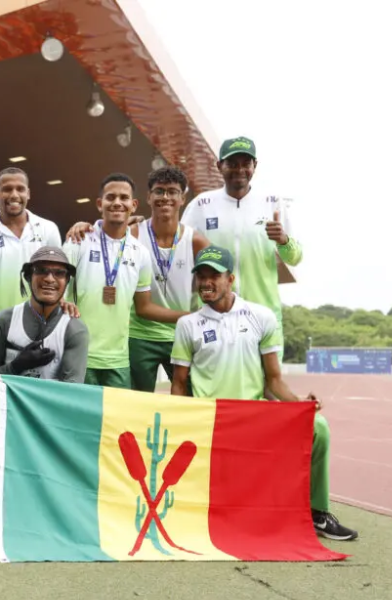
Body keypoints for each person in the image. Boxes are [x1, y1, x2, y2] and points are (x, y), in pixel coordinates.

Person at [171, 246, 357, 541]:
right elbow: (179, 384)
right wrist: (179, 421)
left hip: (253, 414)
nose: (206, 282)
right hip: (210, 418)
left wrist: (300, 407)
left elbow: (273, 380)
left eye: (214, 276)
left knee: (318, 427)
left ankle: (316, 512)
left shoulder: (261, 316)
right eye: (201, 276)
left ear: (230, 279)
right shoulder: (187, 324)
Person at [63, 174, 188, 389]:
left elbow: (144, 306)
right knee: (82, 421)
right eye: (111, 197)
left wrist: (191, 317)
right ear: (100, 204)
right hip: (80, 355)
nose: (117, 202)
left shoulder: (140, 252)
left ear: (134, 204)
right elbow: (55, 295)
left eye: (124, 197)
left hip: (119, 360)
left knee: (118, 421)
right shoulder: (78, 240)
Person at [180, 137, 302, 356]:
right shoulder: (202, 205)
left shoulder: (272, 202)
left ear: (255, 165)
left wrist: (284, 241)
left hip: (262, 312)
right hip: (213, 314)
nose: (239, 169)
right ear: (219, 166)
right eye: (232, 163)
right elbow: (176, 247)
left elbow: (295, 257)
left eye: (246, 163)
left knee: (266, 385)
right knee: (216, 384)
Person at [127, 166, 210, 392]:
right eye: (159, 191)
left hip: (181, 335)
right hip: (139, 335)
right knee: (136, 403)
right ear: (148, 196)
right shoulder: (132, 235)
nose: (165, 197)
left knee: (190, 401)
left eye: (172, 192)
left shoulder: (196, 241)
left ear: (182, 198)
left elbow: (218, 281)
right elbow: (101, 234)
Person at [0, 247, 89, 393]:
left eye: (59, 273)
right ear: (28, 277)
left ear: (67, 280)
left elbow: (72, 391)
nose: (49, 278)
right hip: (9, 409)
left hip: (50, 411)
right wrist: (16, 366)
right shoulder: (5, 319)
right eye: (41, 270)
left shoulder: (74, 329)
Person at [0, 167, 61, 321]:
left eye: (20, 189)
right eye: (7, 189)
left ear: (28, 194)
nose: (14, 195)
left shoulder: (48, 229)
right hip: (2, 331)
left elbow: (58, 282)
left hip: (42, 331)